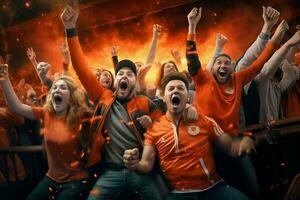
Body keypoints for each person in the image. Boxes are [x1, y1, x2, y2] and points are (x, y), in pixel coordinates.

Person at [185, 7, 300, 199]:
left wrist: (270, 29)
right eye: (219, 63)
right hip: (207, 147)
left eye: (227, 63)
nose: (223, 65)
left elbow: (259, 62)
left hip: (235, 144)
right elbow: (191, 57)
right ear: (212, 69)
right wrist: (192, 24)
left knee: (253, 189)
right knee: (210, 192)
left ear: (232, 68)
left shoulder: (238, 80)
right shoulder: (203, 81)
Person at [61, 4, 171, 200]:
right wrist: (70, 28)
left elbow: (167, 132)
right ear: (116, 79)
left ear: (135, 81)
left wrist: (151, 125)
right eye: (120, 73)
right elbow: (80, 66)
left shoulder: (145, 103)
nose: (124, 76)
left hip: (140, 171)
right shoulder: (103, 97)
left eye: (129, 74)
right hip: (110, 172)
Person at [123, 72, 255, 200]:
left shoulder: (204, 121)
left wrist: (243, 144)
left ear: (187, 96)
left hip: (213, 188)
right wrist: (134, 165)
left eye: (181, 88)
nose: (176, 91)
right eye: (171, 88)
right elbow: (146, 164)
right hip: (179, 194)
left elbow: (232, 147)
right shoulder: (154, 129)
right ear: (163, 95)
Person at [0, 64, 93, 200]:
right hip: (51, 179)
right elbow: (16, 107)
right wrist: (4, 78)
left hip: (76, 180)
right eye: (54, 88)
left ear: (71, 96)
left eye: (62, 88)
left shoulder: (81, 116)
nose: (56, 90)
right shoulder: (46, 113)